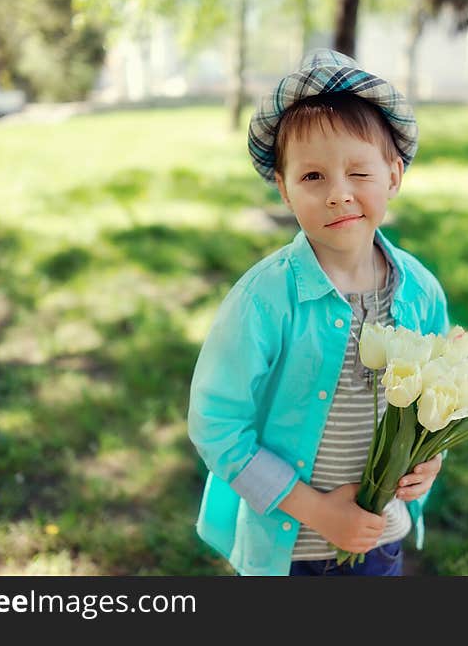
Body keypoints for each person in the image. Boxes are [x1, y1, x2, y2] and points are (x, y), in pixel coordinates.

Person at [187, 49, 450, 576]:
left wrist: (431, 461)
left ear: (393, 176)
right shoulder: (265, 300)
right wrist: (318, 512)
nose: (339, 194)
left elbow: (440, 395)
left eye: (359, 172)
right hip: (290, 554)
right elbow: (216, 424)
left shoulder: (419, 292)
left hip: (380, 539)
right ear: (283, 188)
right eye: (312, 177)